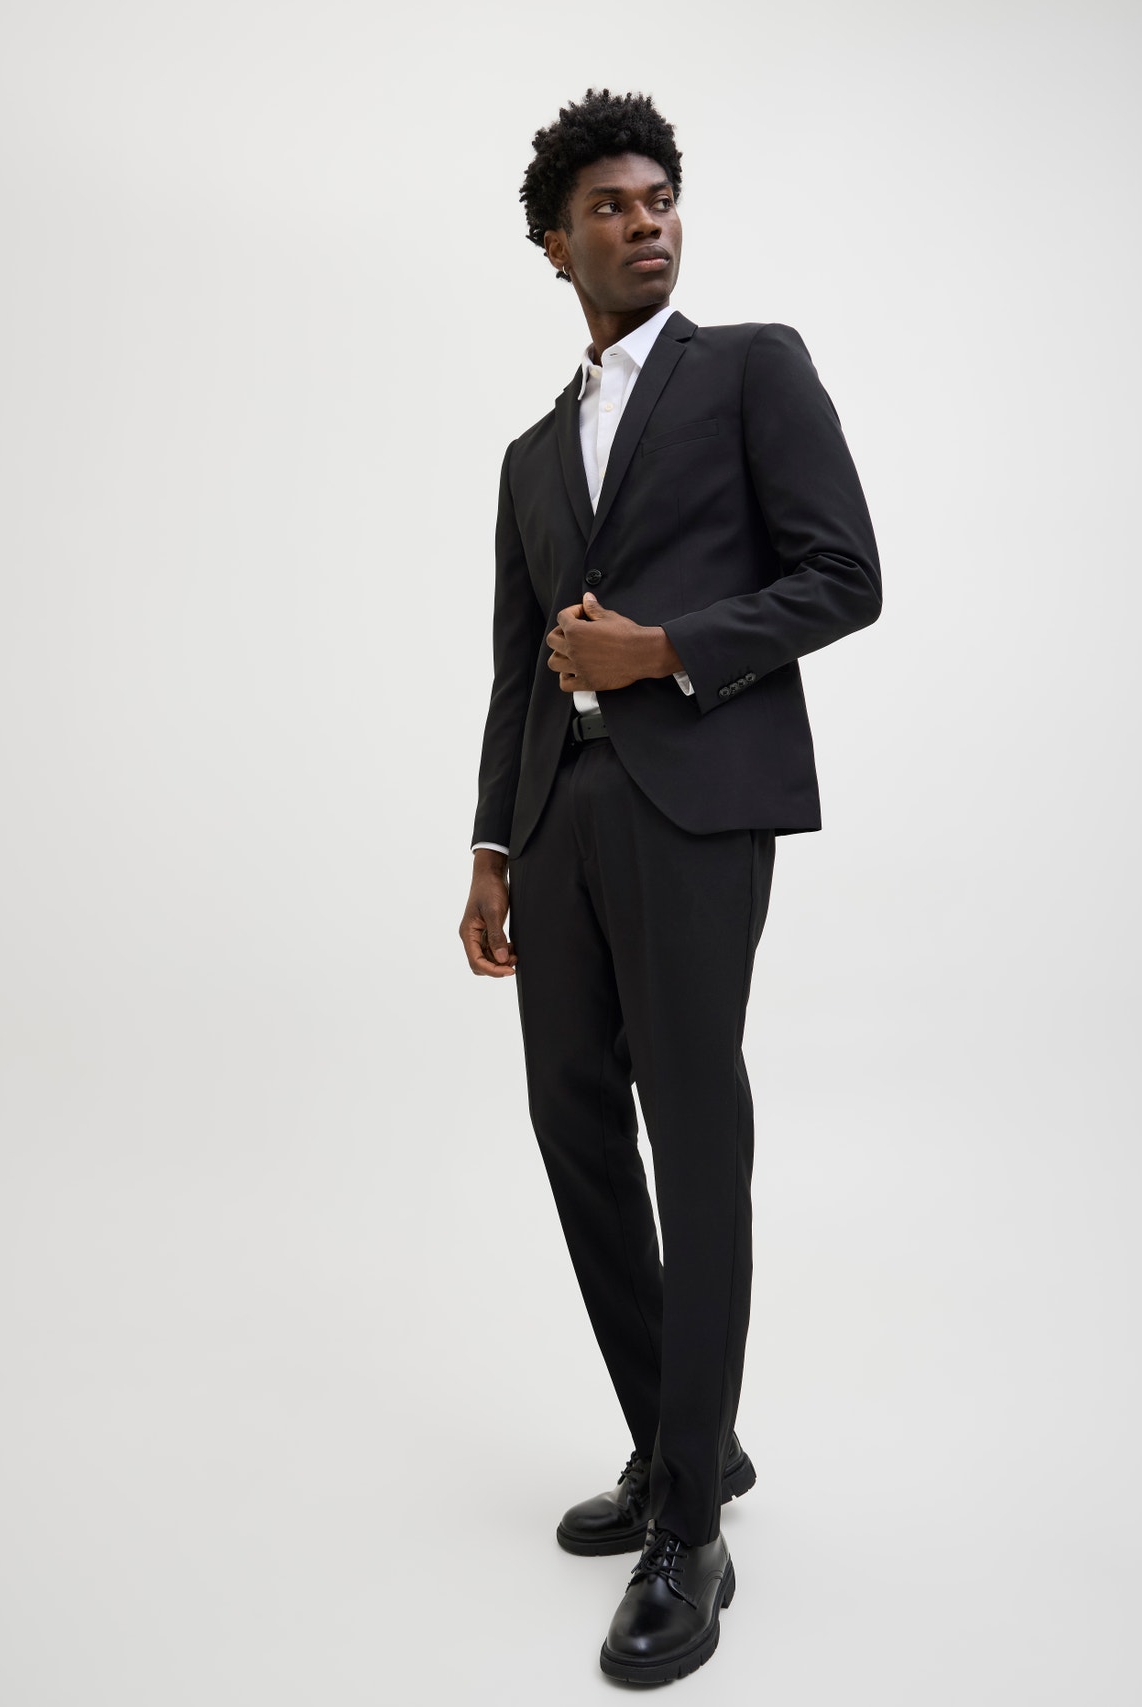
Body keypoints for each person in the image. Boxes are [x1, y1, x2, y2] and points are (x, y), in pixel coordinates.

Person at [458, 86, 882, 1685]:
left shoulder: (752, 369)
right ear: (553, 244)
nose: (645, 224)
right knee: (570, 1120)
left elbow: (845, 575)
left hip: (695, 805)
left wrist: (666, 653)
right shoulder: (527, 454)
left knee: (694, 1131)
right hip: (558, 817)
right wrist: (491, 848)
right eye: (611, 208)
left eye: (659, 200)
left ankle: (690, 1527)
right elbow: (515, 667)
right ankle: (679, 1435)